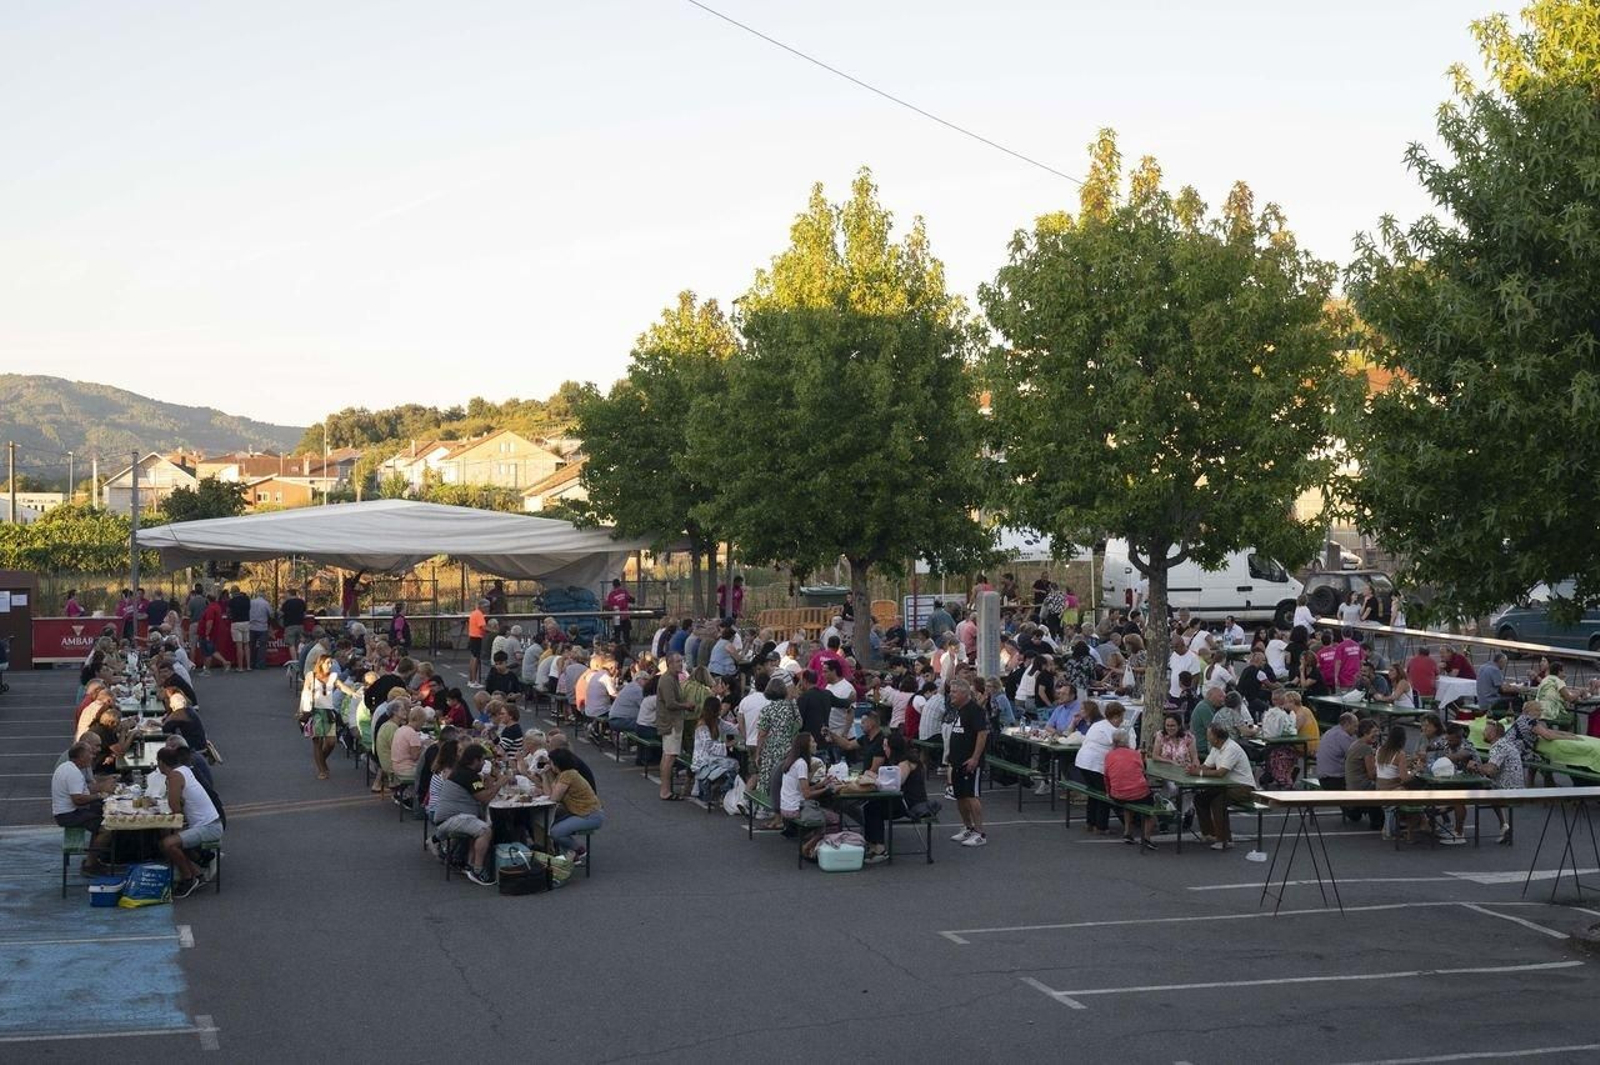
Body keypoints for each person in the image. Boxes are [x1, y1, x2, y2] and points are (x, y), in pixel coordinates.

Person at [430, 742, 508, 886]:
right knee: (485, 831)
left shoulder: (464, 772)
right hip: (451, 819)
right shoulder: (467, 775)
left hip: (456, 816)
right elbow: (484, 798)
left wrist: (491, 777)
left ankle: (470, 863)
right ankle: (477, 870)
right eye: (482, 760)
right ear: (475, 760)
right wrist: (500, 783)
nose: (484, 762)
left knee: (477, 825)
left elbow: (484, 791)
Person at [157, 746, 224, 898]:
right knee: (167, 834)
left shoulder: (174, 776)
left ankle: (188, 878)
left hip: (209, 827)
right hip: (211, 822)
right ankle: (198, 875)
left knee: (168, 844)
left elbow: (174, 806)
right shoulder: (184, 770)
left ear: (161, 763)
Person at [860, 733, 930, 864]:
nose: (884, 749)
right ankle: (873, 844)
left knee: (873, 809)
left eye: (886, 746)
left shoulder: (906, 763)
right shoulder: (900, 761)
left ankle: (879, 849)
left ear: (894, 747)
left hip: (911, 804)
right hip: (904, 800)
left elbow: (896, 784)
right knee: (870, 806)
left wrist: (874, 778)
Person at [51, 742, 116, 875]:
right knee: (107, 828)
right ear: (80, 757)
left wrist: (102, 789)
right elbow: (79, 799)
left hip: (68, 812)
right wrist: (100, 795)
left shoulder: (68, 768)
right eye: (89, 754)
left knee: (100, 813)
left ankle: (92, 859)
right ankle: (91, 864)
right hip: (68, 815)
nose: (92, 756)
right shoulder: (73, 773)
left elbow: (85, 791)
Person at [1188, 724, 1256, 850]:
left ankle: (1224, 839)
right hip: (1226, 786)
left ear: (1217, 738)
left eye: (1209, 735)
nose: (1207, 737)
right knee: (1200, 798)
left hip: (1243, 787)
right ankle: (1209, 833)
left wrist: (1199, 773)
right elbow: (1206, 766)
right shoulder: (1216, 748)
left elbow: (1221, 773)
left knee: (1218, 800)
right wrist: (1194, 769)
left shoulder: (1231, 749)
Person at [540, 747, 604, 861]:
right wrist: (545, 775)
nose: (549, 764)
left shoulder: (568, 775)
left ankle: (578, 850)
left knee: (555, 832)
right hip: (580, 812)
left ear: (556, 763)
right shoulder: (563, 775)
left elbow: (554, 798)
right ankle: (572, 856)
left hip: (589, 815)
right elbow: (549, 794)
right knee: (551, 824)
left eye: (551, 762)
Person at [945, 679, 988, 848]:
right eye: (951, 691)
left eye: (954, 692)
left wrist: (975, 758)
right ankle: (968, 827)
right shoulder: (959, 710)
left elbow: (982, 733)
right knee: (960, 796)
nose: (951, 695)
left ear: (964, 693)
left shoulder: (974, 710)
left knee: (971, 796)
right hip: (956, 761)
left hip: (970, 762)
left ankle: (979, 832)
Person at [1074, 701, 1126, 836]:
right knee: (1104, 794)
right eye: (1121, 717)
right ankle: (1101, 826)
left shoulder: (1098, 724)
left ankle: (1090, 822)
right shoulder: (1113, 730)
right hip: (1095, 764)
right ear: (1115, 717)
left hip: (1082, 761)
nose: (1122, 721)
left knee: (1093, 792)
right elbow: (1121, 748)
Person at [1104, 731, 1159, 851]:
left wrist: (1108, 792)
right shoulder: (1135, 754)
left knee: (1128, 803)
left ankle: (1127, 832)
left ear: (1114, 743)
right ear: (1127, 742)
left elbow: (1106, 777)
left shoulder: (1109, 755)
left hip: (1117, 794)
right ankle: (1147, 838)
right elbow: (1143, 770)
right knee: (1150, 805)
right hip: (1137, 793)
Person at [655, 653, 695, 801]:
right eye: (677, 662)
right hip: (671, 722)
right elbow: (670, 703)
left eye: (681, 661)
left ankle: (665, 788)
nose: (680, 664)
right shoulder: (667, 680)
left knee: (667, 755)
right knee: (670, 755)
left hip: (672, 721)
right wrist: (686, 705)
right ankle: (665, 790)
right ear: (669, 663)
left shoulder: (673, 678)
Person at [1477, 717, 1523, 843]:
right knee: (1486, 784)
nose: (1483, 733)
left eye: (1486, 730)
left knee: (1478, 786)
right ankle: (1504, 825)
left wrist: (1476, 767)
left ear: (1493, 733)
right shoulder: (1506, 743)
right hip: (1516, 787)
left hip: (1508, 790)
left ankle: (1457, 827)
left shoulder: (1498, 747)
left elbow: (1491, 771)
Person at [690, 696, 740, 800]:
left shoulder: (717, 722)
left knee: (733, 764)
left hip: (712, 758)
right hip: (703, 760)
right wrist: (727, 745)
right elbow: (709, 747)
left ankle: (714, 789)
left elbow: (732, 728)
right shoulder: (702, 726)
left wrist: (742, 724)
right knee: (733, 765)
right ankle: (718, 790)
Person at [1375, 724, 1416, 841]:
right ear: (1402, 739)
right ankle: (1414, 828)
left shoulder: (1380, 750)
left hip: (1379, 787)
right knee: (1416, 790)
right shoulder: (1400, 754)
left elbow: (1387, 769)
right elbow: (1404, 778)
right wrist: (1414, 773)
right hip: (1392, 789)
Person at [1476, 652, 1522, 717]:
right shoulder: (1494, 669)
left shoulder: (1483, 667)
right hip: (1491, 701)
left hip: (1481, 701)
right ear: (1500, 661)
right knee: (1518, 700)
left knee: (1508, 698)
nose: (1504, 665)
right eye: (1504, 663)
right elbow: (1503, 689)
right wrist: (1518, 689)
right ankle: (1514, 719)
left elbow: (1498, 684)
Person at [226, 587, 252, 672]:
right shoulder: (246, 599)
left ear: (233, 593)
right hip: (246, 622)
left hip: (236, 623)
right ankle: (248, 666)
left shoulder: (231, 601)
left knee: (239, 646)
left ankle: (240, 667)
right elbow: (249, 608)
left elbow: (228, 612)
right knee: (247, 645)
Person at [279, 588, 307, 661]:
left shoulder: (286, 603)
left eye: (286, 594)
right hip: (300, 625)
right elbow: (305, 613)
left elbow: (281, 613)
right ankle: (300, 660)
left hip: (290, 626)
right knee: (299, 644)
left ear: (289, 594)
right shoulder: (301, 602)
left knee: (291, 644)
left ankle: (294, 661)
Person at [604, 579, 635, 647]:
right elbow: (632, 600)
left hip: (617, 617)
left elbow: (607, 606)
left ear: (613, 586)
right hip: (625, 616)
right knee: (626, 636)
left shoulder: (611, 594)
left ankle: (617, 651)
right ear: (619, 584)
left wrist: (611, 607)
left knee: (617, 636)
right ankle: (627, 651)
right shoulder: (624, 592)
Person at [466, 599, 488, 688]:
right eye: (486, 607)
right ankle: (474, 680)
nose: (487, 609)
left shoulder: (474, 613)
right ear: (481, 606)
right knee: (475, 659)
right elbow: (483, 626)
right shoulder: (479, 614)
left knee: (473, 658)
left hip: (472, 636)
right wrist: (494, 630)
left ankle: (471, 680)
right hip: (476, 637)